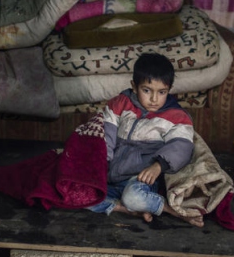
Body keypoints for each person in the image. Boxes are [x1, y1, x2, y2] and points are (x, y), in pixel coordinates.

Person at [87, 52, 203, 227]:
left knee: (133, 197)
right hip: (110, 176)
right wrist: (98, 167)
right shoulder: (119, 104)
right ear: (134, 86)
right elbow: (106, 137)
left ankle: (170, 210)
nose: (154, 99)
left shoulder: (177, 116)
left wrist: (158, 166)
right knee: (75, 193)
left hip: (140, 180)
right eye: (147, 90)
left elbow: (182, 146)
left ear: (169, 90)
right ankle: (124, 208)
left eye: (162, 92)